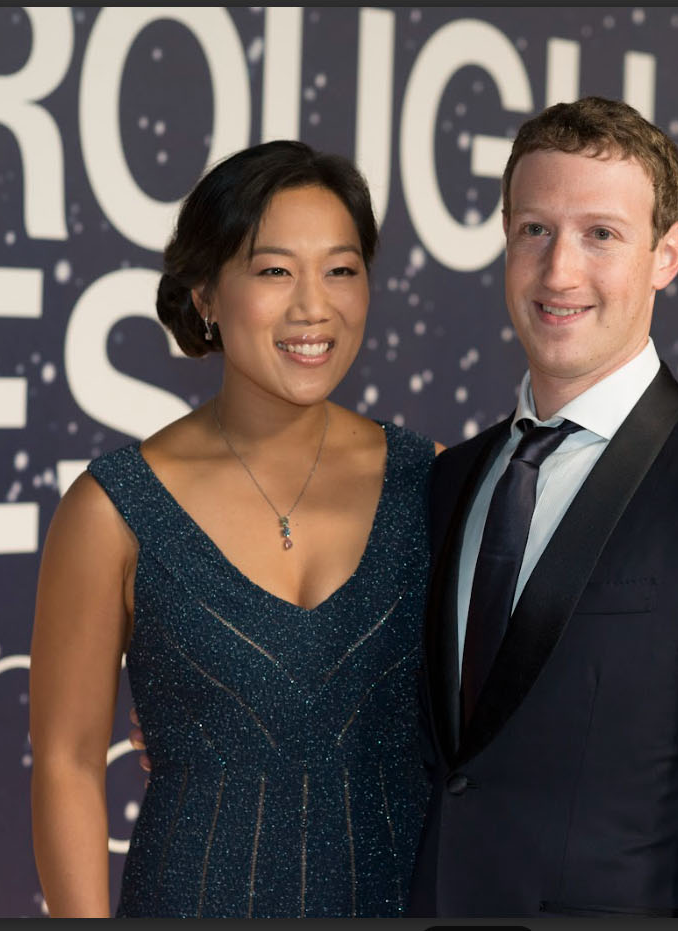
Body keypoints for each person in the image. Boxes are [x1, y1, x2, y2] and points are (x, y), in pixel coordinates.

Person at [408, 96, 678, 918]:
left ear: (666, 255)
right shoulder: (451, 479)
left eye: (600, 234)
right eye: (535, 229)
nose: (559, 271)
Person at [29, 140, 436, 918]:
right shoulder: (111, 509)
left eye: (342, 269)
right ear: (206, 294)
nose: (314, 306)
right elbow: (68, 763)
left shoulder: (435, 481)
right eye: (275, 270)